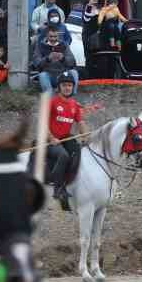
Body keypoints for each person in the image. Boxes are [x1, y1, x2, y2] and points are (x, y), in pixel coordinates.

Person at [44, 74, 87, 210]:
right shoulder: (52, 102)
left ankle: (72, 183)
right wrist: (51, 138)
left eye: (69, 85)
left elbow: (80, 123)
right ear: (59, 87)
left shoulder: (74, 105)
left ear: (73, 87)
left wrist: (85, 136)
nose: (67, 88)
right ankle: (58, 189)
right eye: (64, 85)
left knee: (78, 150)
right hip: (49, 140)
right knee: (63, 155)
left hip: (64, 138)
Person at [34, 21, 78, 94]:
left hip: (62, 75)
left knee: (74, 72)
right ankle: (49, 96)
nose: (53, 39)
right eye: (51, 36)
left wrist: (63, 58)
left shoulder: (64, 45)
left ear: (58, 36)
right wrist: (47, 59)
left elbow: (73, 62)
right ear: (47, 36)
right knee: (42, 75)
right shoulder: (40, 46)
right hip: (48, 75)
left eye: (55, 36)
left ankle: (71, 96)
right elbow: (37, 64)